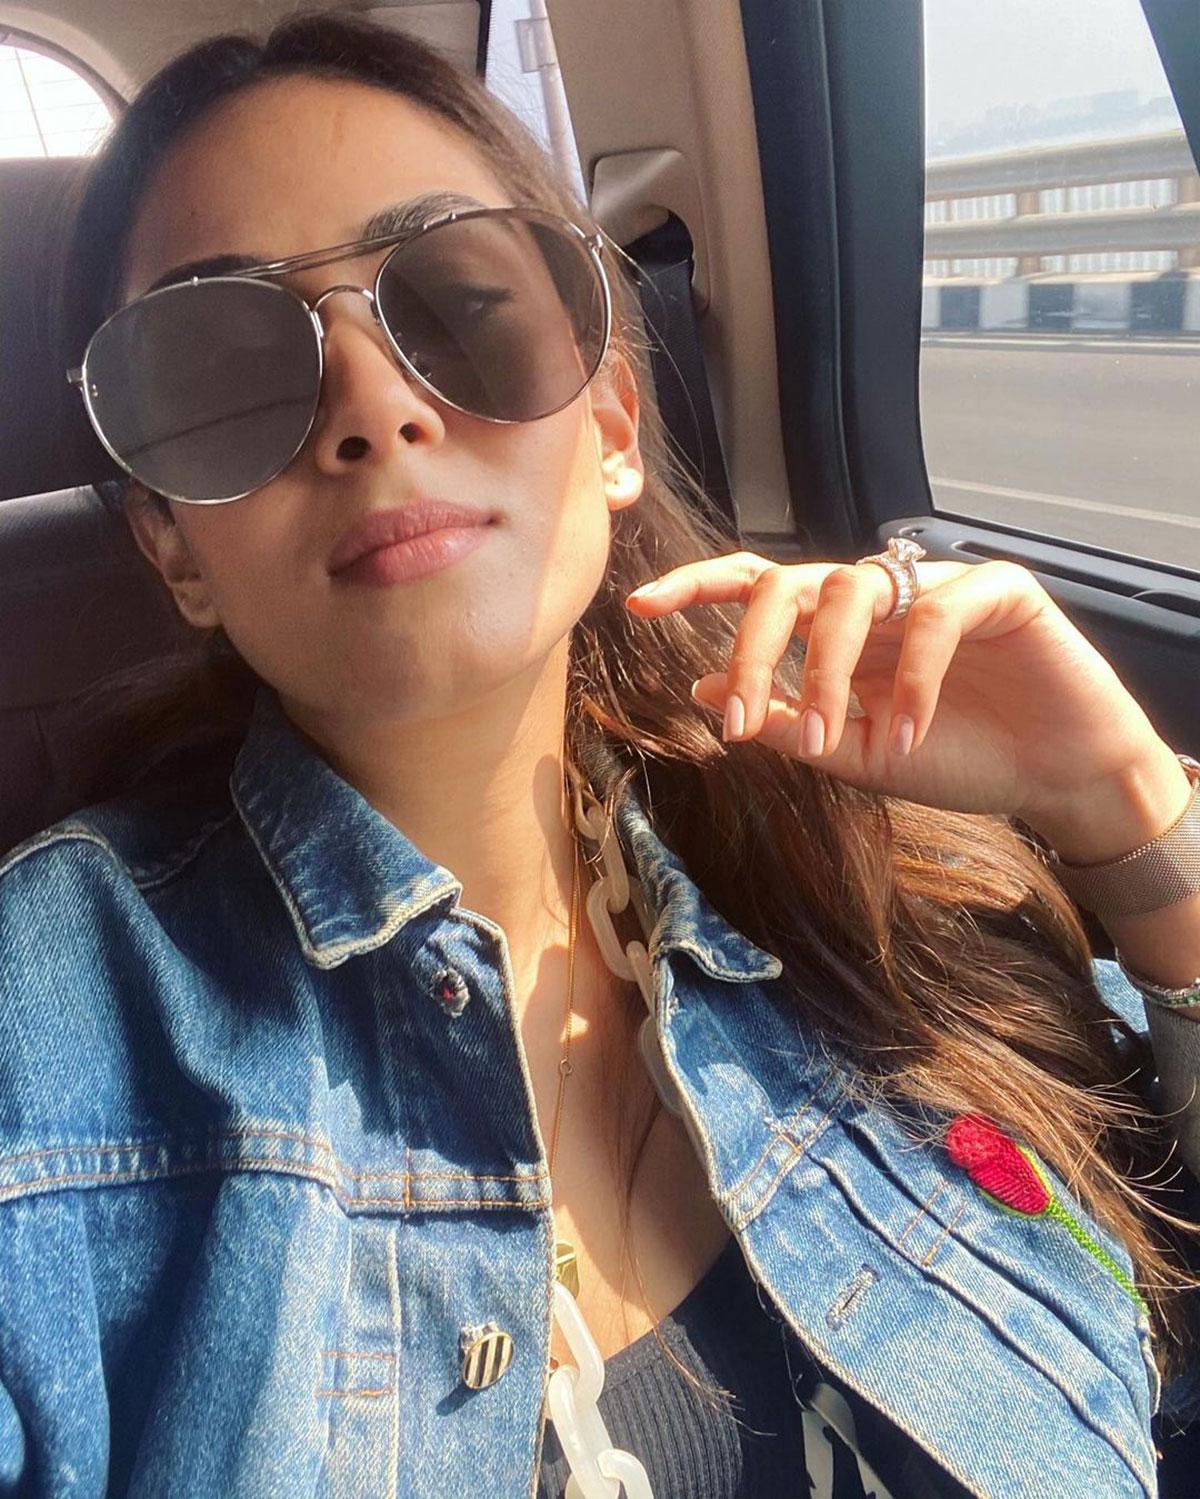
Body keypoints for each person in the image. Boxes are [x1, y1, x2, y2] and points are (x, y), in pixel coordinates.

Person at [1, 12, 1199, 1497]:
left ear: (615, 423)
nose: (376, 406)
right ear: (173, 545)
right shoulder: (53, 1037)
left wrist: (1130, 818)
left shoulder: (857, 871)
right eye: (222, 373)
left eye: (460, 306)